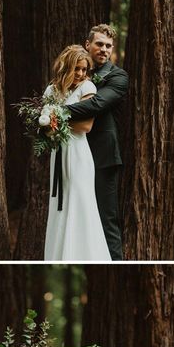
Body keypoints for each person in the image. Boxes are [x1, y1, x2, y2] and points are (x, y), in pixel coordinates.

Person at [66, 24, 129, 260]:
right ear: (87, 45)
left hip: (102, 155)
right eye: (99, 44)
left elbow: (95, 105)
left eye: (108, 46)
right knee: (76, 215)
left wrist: (53, 112)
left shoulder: (118, 77)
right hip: (73, 153)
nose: (104, 49)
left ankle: (115, 262)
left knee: (106, 219)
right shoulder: (77, 72)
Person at [43, 44, 111, 261]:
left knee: (79, 202)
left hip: (78, 155)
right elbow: (44, 127)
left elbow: (85, 127)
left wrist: (55, 122)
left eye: (84, 69)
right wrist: (48, 125)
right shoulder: (51, 91)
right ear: (66, 67)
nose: (81, 74)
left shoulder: (87, 88)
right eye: (77, 69)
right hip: (58, 153)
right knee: (58, 204)